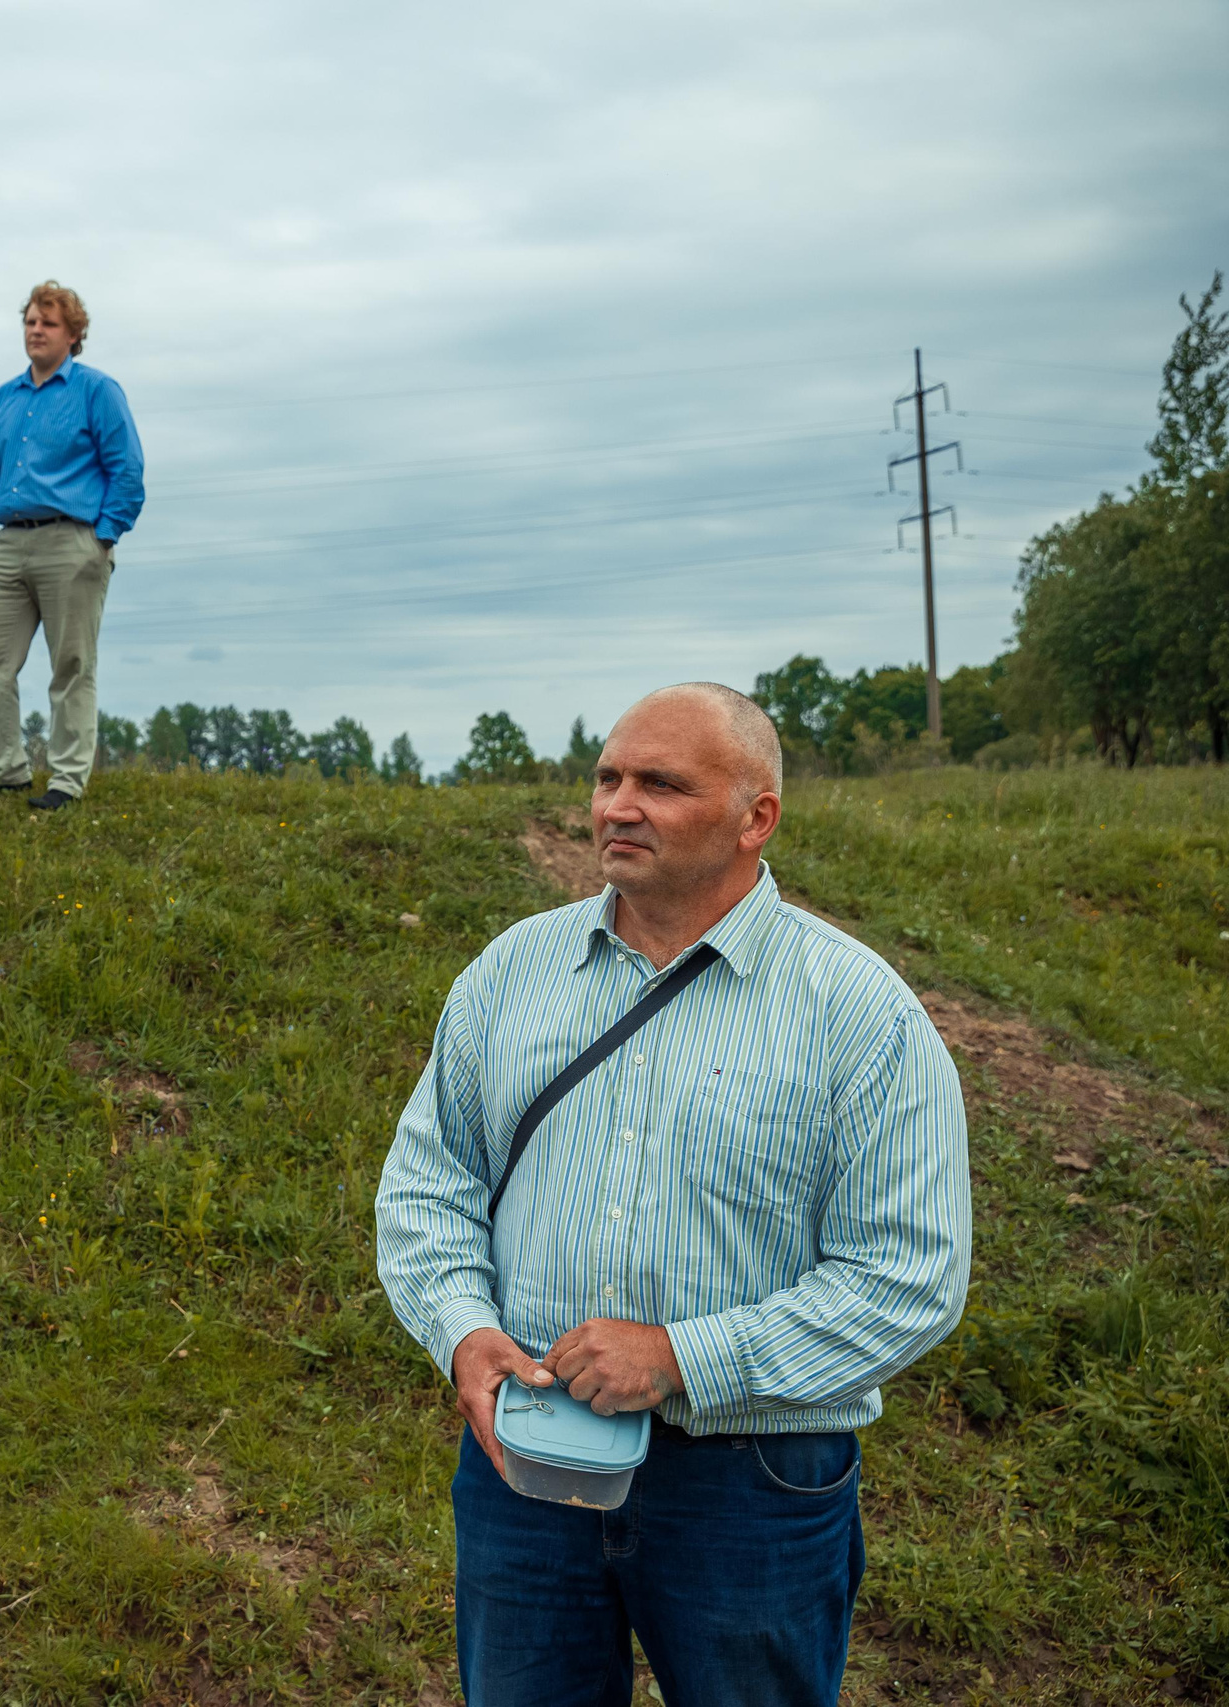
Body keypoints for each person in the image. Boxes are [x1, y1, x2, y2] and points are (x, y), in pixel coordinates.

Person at [373, 683, 970, 1707]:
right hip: (529, 1460)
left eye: (660, 783)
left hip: (752, 1487)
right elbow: (429, 1185)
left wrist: (680, 1357)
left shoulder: (860, 1012)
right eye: (607, 777)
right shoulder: (510, 974)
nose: (617, 805)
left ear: (756, 817)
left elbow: (907, 1277)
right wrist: (464, 1330)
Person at [0, 279, 146, 811]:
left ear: (73, 334)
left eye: (49, 323)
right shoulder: (4, 398)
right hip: (5, 543)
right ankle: (4, 770)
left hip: (73, 539)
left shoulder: (97, 392)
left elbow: (127, 469)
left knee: (71, 664)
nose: (36, 330)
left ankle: (65, 781)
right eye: (30, 322)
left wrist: (104, 536)